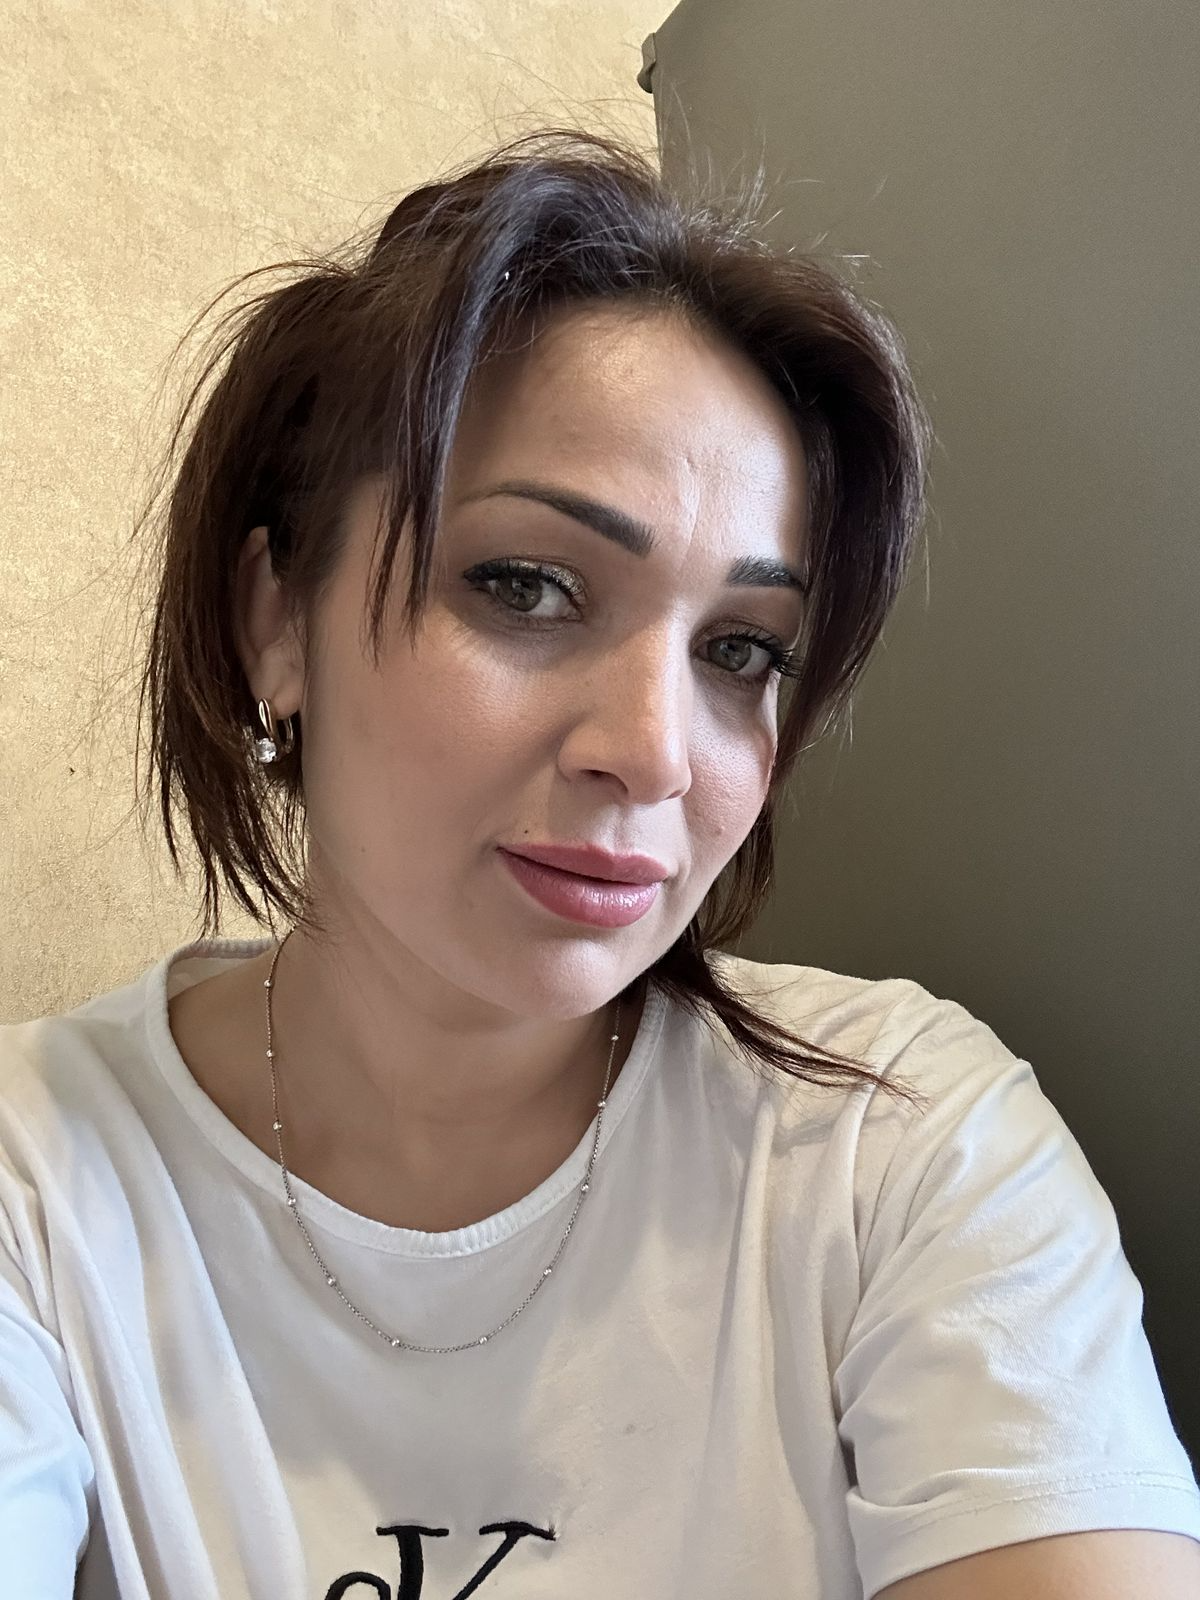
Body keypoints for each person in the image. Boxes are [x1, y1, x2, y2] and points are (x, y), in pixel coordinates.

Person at [1, 128, 1197, 1600]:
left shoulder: (897, 1144)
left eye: (741, 651)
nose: (655, 752)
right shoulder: (38, 1177)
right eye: (527, 585)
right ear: (276, 622)